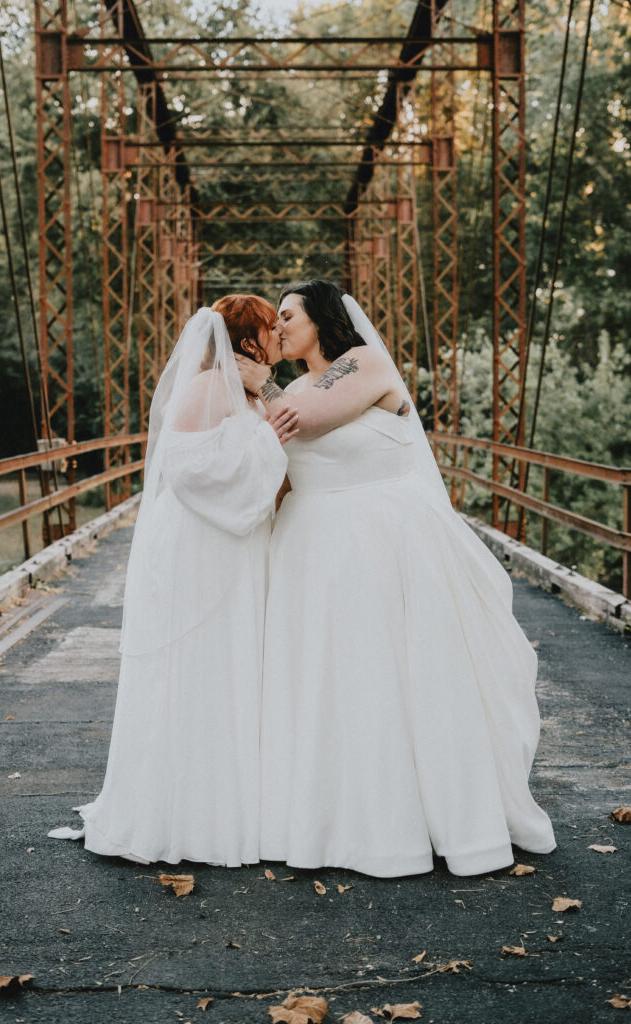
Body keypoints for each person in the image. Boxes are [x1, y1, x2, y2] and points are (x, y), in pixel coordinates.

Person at [235, 279, 556, 878]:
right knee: (325, 683)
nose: (277, 328)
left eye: (287, 316)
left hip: (380, 543)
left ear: (322, 319)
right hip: (311, 550)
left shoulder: (361, 362)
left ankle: (409, 821)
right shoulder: (293, 384)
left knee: (391, 678)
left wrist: (255, 381)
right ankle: (327, 821)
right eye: (273, 320)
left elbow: (303, 421)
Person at [49, 296, 297, 866]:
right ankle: (187, 813)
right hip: (202, 542)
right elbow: (190, 470)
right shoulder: (211, 385)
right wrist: (268, 440)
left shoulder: (249, 386)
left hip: (230, 539)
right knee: (201, 660)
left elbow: (303, 406)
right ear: (245, 338)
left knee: (230, 660)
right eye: (269, 325)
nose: (280, 332)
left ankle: (227, 803)